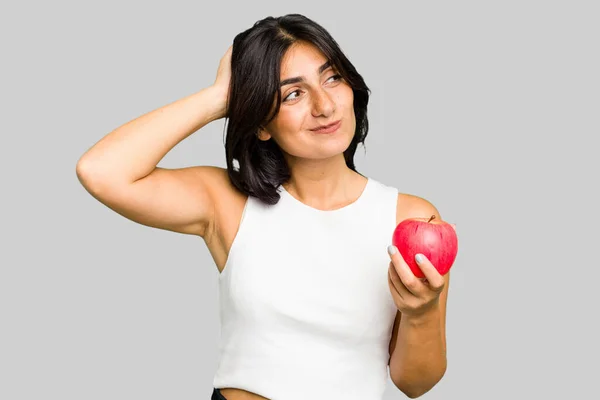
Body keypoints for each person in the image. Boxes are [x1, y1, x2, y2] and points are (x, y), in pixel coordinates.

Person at [76, 13, 453, 400]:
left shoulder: (410, 218)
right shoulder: (226, 201)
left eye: (332, 78)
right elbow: (101, 172)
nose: (325, 106)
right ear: (262, 123)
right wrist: (219, 97)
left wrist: (421, 312)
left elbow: (415, 383)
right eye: (293, 93)